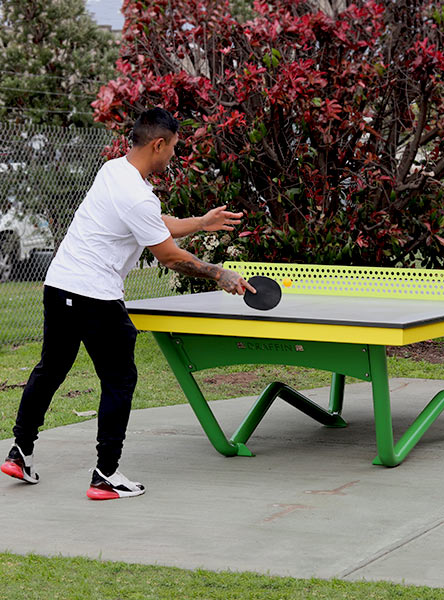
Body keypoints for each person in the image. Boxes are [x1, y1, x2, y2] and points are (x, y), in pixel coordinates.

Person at [1, 107, 255, 499]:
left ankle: (20, 451)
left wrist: (201, 222)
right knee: (119, 380)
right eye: (172, 147)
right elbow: (170, 256)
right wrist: (219, 273)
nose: (172, 155)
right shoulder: (136, 195)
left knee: (51, 367)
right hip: (96, 297)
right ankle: (106, 474)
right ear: (158, 144)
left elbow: (153, 221)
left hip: (60, 286)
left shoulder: (113, 172)